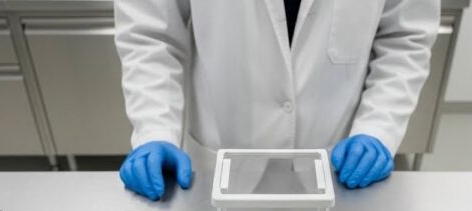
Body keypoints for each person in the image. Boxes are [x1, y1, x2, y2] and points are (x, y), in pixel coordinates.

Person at [114, 0, 440, 200]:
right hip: (221, 163)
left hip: (336, 166)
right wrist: (155, 128)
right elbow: (150, 34)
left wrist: (378, 127)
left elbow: (404, 37)